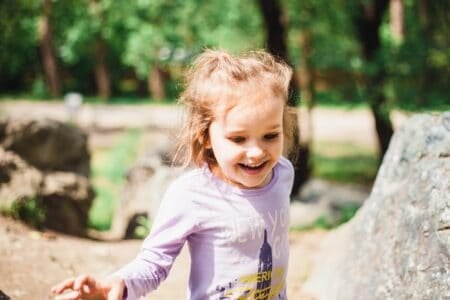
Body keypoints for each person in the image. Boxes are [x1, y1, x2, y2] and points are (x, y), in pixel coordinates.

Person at [51, 49, 296, 300]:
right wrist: (117, 283)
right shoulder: (192, 194)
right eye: (238, 138)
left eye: (270, 136)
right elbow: (154, 261)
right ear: (205, 136)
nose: (256, 153)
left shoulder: (282, 174)